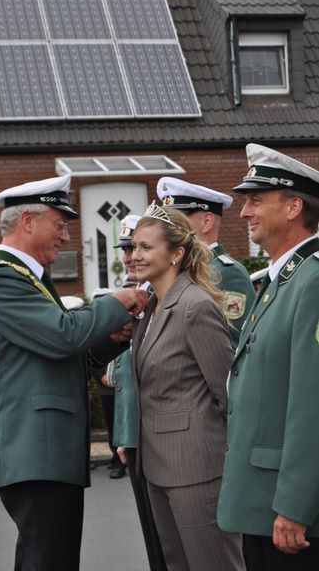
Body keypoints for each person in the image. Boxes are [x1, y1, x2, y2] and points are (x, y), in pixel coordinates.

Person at [0, 174, 147, 571]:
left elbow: (63, 354)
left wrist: (113, 339)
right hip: (35, 450)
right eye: (60, 224)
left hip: (44, 451)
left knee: (49, 559)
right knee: (48, 560)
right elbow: (65, 335)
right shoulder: (3, 279)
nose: (66, 237)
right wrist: (118, 301)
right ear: (27, 221)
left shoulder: (28, 279)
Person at [217, 143, 319, 570]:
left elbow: (311, 403)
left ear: (294, 207)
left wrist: (295, 504)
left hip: (287, 509)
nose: (244, 212)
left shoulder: (312, 281)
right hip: (262, 497)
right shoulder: (283, 280)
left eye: (256, 200)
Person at [131, 203, 245, 571]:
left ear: (176, 254)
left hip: (197, 468)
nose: (135, 255)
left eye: (146, 247)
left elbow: (228, 392)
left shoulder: (195, 305)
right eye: (134, 247)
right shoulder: (149, 310)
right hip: (157, 466)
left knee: (213, 564)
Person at [109, 214, 168, 570]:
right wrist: (124, 430)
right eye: (126, 249)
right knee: (153, 534)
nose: (130, 257)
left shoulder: (161, 296)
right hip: (135, 432)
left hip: (160, 434)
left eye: (137, 248)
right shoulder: (138, 296)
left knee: (171, 538)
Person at [157, 178, 255, 349]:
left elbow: (234, 344)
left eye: (176, 221)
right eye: (166, 222)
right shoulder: (177, 270)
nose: (167, 229)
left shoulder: (227, 273)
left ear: (207, 222)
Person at [91, 287, 127, 480]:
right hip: (107, 388)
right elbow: (92, 357)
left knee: (127, 422)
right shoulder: (97, 331)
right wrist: (101, 377)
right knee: (112, 425)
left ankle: (127, 459)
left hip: (126, 386)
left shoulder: (125, 326)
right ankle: (117, 461)